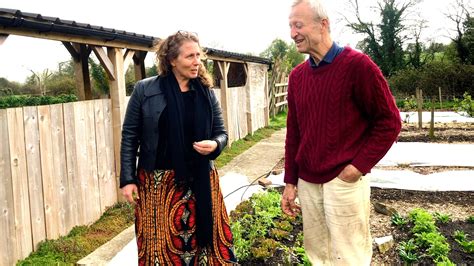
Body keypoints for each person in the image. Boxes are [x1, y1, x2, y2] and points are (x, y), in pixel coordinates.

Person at [281, 0, 402, 265]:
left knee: (350, 257)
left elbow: (389, 121)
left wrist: (357, 167)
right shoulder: (298, 77)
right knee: (318, 255)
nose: (292, 33)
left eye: (298, 25)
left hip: (343, 181)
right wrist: (290, 181)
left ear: (323, 25)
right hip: (309, 182)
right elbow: (294, 133)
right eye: (290, 26)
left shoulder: (358, 66)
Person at [120, 31, 237, 265]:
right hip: (157, 185)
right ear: (172, 60)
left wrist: (215, 144)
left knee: (207, 244)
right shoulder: (145, 90)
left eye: (198, 56)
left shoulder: (205, 92)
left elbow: (222, 134)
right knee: (159, 248)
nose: (197, 62)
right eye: (190, 56)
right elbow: (130, 136)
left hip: (201, 180)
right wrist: (127, 178)